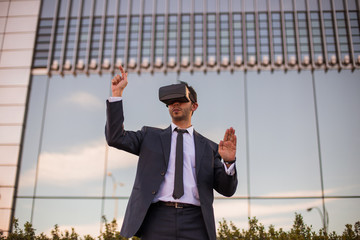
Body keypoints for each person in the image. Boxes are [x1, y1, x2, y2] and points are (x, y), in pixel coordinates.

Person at [105, 66, 238, 240]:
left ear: (194, 106)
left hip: (196, 222)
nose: (175, 103)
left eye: (181, 99)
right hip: (157, 220)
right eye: (171, 100)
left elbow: (227, 190)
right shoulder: (149, 136)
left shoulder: (209, 148)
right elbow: (115, 138)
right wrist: (117, 94)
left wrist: (229, 162)